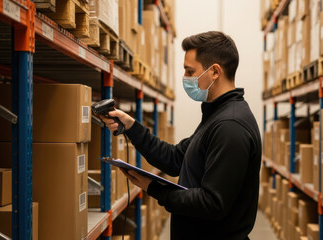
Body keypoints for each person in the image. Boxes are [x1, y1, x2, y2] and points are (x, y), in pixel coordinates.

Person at [101, 31, 262, 240]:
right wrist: (132, 127)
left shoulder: (230, 126)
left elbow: (212, 203)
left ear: (214, 72)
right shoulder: (216, 116)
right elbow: (176, 158)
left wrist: (154, 189)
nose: (185, 78)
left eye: (190, 71)